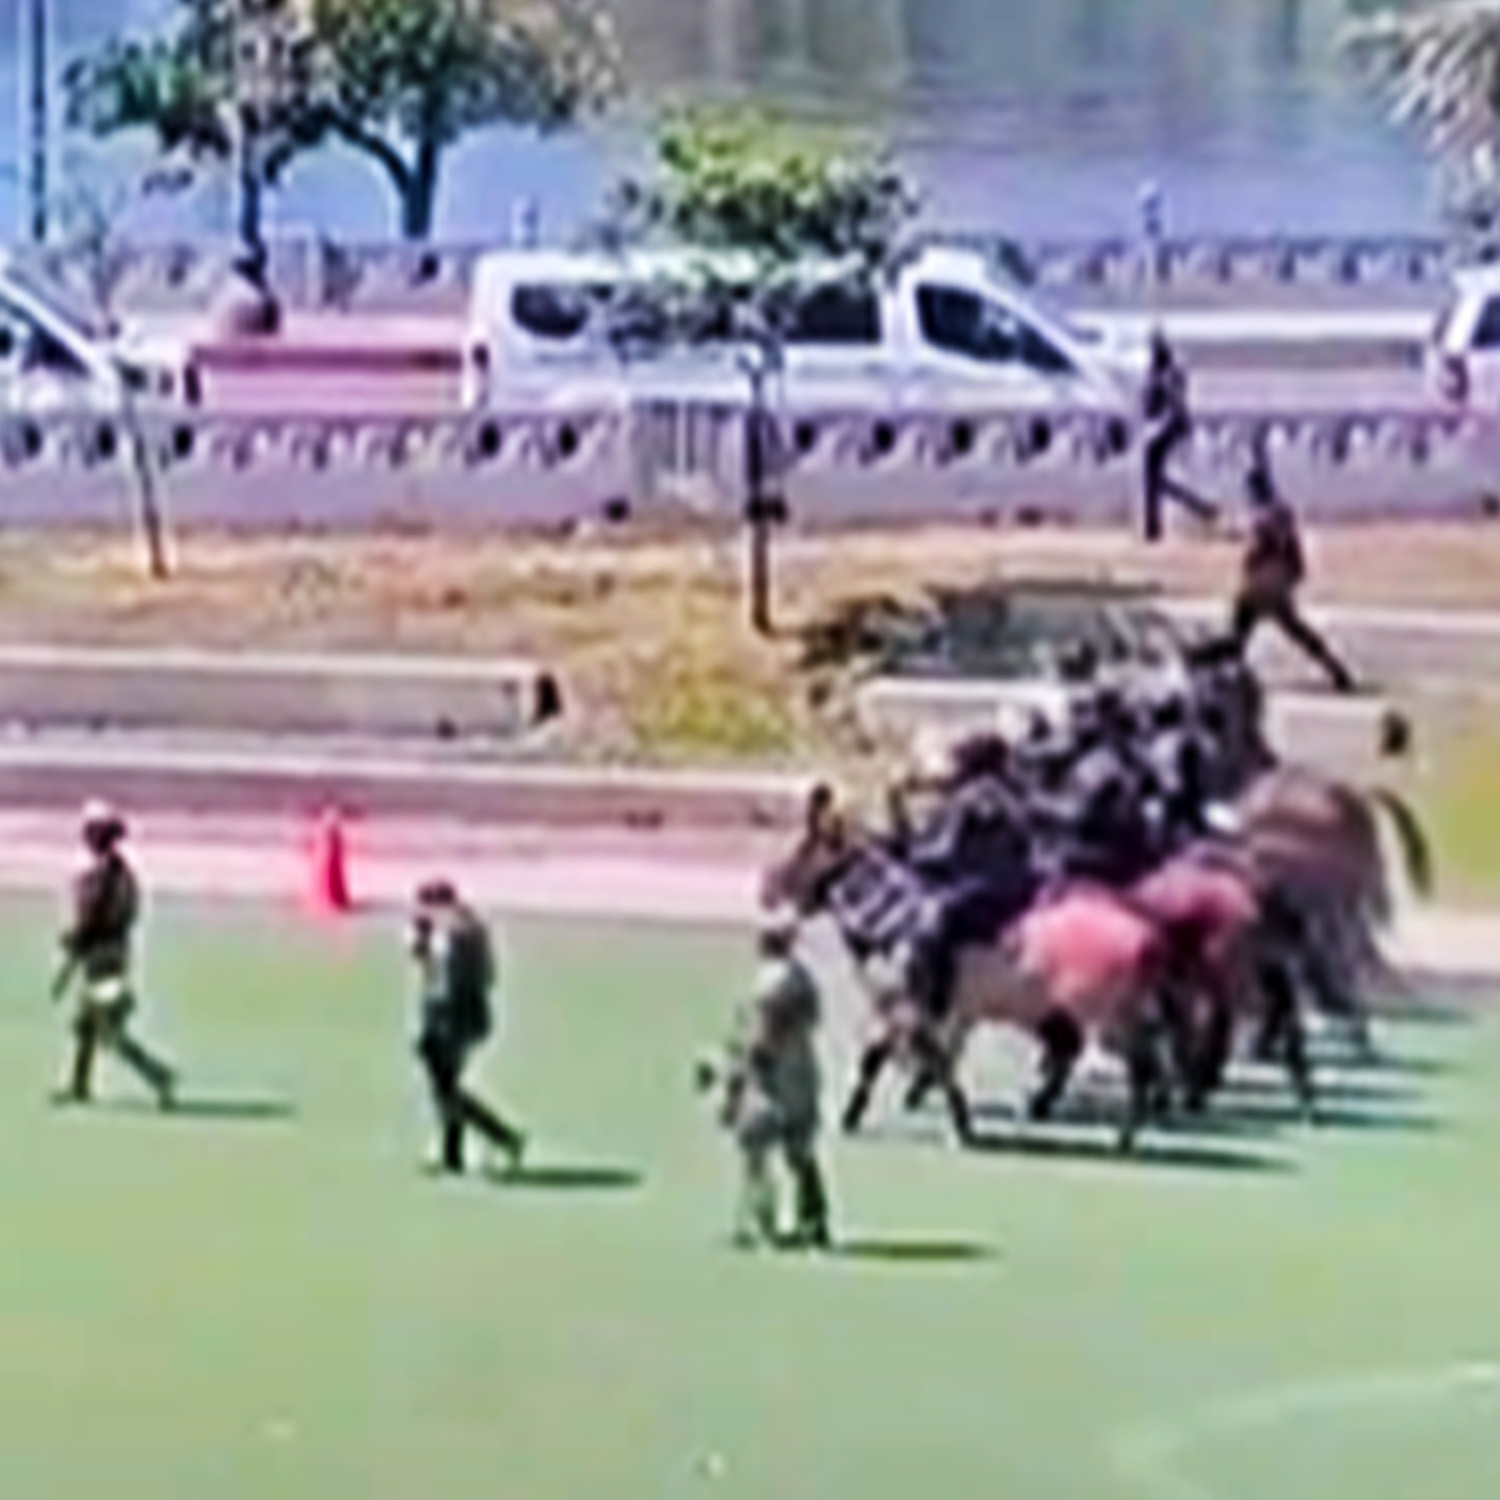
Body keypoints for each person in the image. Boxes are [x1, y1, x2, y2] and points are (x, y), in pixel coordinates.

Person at [50, 801, 177, 1109]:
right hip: (110, 952)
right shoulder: (116, 872)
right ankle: (79, 1084)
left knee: (108, 1031)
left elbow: (93, 919)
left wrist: (74, 946)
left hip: (104, 956)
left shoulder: (104, 875)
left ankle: (158, 1074)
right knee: (86, 1025)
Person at [717, 912, 831, 1251]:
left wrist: (739, 1078)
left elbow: (763, 1035)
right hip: (803, 1074)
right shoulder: (803, 978)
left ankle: (761, 1223)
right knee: (801, 1153)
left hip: (772, 1079)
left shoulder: (768, 983)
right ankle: (814, 1220)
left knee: (756, 1150)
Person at [410, 880, 527, 1177]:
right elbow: (488, 975)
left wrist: (423, 945)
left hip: (449, 1015)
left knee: (445, 1090)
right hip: (473, 1014)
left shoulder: (447, 932)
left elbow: (439, 975)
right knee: (447, 1086)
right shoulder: (474, 927)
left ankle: (502, 1136)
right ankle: (453, 1154)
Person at [1230, 452, 1356, 693]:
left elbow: (1261, 539)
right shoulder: (1278, 510)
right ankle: (1337, 671)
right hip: (1276, 579)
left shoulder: (1267, 513)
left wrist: (1236, 532)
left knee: (1241, 630)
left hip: (1266, 580)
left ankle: (1232, 675)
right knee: (1291, 630)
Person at [1140, 329, 1217, 542]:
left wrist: (1166, 425)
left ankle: (1156, 525)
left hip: (1169, 427)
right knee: (1153, 479)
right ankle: (1193, 510)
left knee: (1152, 477)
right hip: (1161, 428)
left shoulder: (1169, 373)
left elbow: (1175, 402)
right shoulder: (1157, 371)